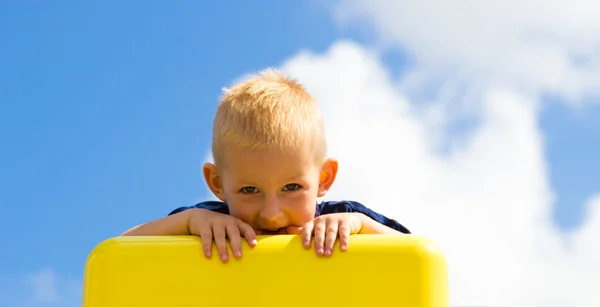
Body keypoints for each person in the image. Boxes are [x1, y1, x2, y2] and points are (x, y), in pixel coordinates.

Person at [122, 68, 410, 262]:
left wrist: (361, 226)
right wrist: (187, 221)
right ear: (217, 183)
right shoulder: (207, 222)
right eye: (249, 190)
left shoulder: (344, 219)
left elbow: (418, 255)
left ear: (324, 177)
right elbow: (120, 250)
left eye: (292, 187)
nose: (271, 214)